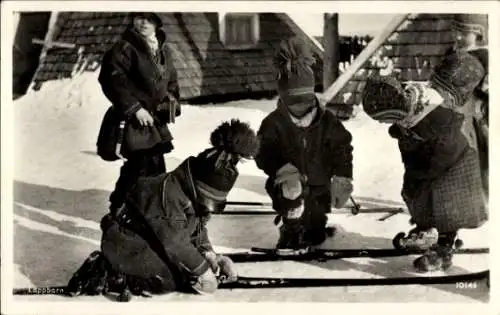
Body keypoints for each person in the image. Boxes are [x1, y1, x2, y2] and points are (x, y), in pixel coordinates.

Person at [66, 119, 260, 300]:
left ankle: (126, 272)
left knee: (184, 270)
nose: (205, 208)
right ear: (196, 186)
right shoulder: (168, 193)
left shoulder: (192, 195)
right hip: (125, 240)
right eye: (206, 200)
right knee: (167, 280)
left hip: (150, 239)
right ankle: (106, 271)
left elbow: (195, 229)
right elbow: (176, 242)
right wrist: (203, 270)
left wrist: (210, 255)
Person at [362, 48, 488, 272]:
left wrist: (420, 160)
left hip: (453, 164)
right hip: (428, 161)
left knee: (447, 206)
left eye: (384, 119)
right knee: (415, 193)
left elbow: (443, 148)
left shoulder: (436, 116)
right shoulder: (408, 102)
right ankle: (426, 228)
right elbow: (407, 132)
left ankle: (444, 247)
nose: (382, 125)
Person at [255, 37, 354, 250]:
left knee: (315, 234)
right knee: (292, 197)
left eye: (305, 102)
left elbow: (342, 148)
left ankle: (314, 225)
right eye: (294, 103)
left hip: (319, 185)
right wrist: (282, 169)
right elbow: (262, 152)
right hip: (287, 185)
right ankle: (290, 229)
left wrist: (343, 176)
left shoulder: (327, 121)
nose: (300, 108)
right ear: (284, 100)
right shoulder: (274, 123)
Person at [98, 12, 180, 216]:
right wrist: (135, 109)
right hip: (132, 120)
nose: (143, 23)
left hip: (154, 121)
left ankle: (149, 214)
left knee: (156, 169)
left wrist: (171, 102)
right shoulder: (124, 47)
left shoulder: (164, 50)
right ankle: (120, 212)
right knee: (138, 169)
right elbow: (112, 81)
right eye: (139, 17)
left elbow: (171, 82)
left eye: (149, 19)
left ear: (157, 23)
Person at [448, 14, 489, 197]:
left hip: (477, 116)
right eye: (456, 31)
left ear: (479, 33)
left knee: (482, 158)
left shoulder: (484, 56)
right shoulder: (452, 54)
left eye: (464, 32)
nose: (458, 37)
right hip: (454, 115)